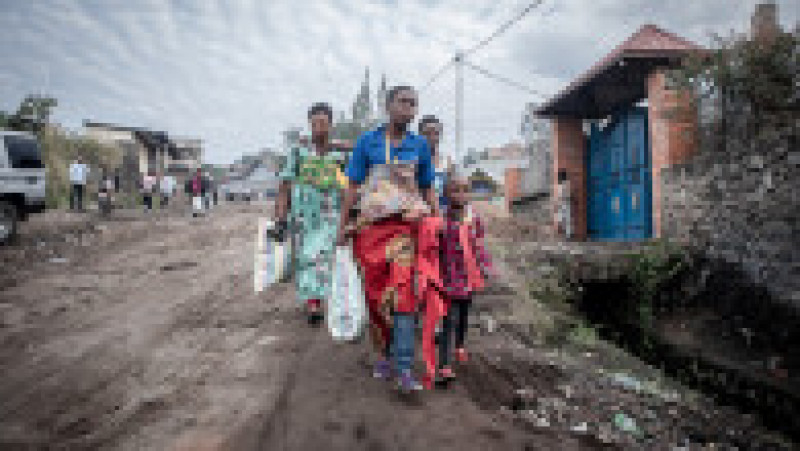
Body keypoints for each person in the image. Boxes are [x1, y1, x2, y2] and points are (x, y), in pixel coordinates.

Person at [338, 85, 441, 392]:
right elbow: (353, 187)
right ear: (388, 106)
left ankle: (405, 366)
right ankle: (383, 353)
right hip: (370, 231)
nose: (409, 109)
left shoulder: (419, 145)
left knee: (404, 295)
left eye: (413, 104)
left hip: (406, 231)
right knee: (375, 297)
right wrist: (343, 227)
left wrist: (437, 221)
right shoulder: (367, 142)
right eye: (403, 102)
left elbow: (427, 189)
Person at [276, 103, 347, 325]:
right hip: (303, 217)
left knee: (324, 255)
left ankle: (323, 297)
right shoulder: (298, 152)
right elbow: (285, 185)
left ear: (331, 125)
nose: (318, 128)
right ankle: (313, 302)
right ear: (309, 125)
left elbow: (349, 185)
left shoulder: (340, 154)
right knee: (306, 257)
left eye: (323, 123)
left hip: (331, 215)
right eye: (314, 123)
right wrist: (280, 216)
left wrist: (350, 214)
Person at [436, 175, 494, 386]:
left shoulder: (473, 219)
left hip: (468, 276)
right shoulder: (441, 218)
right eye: (455, 191)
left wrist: (486, 267)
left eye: (463, 191)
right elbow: (434, 247)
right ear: (446, 194)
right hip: (448, 276)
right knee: (448, 320)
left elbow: (479, 246)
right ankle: (444, 366)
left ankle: (459, 345)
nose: (460, 195)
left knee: (463, 316)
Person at [418, 115, 453, 217]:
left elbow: (453, 192)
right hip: (420, 216)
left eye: (436, 133)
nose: (432, 137)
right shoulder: (413, 162)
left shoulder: (447, 161)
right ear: (419, 135)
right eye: (427, 133)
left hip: (443, 215)